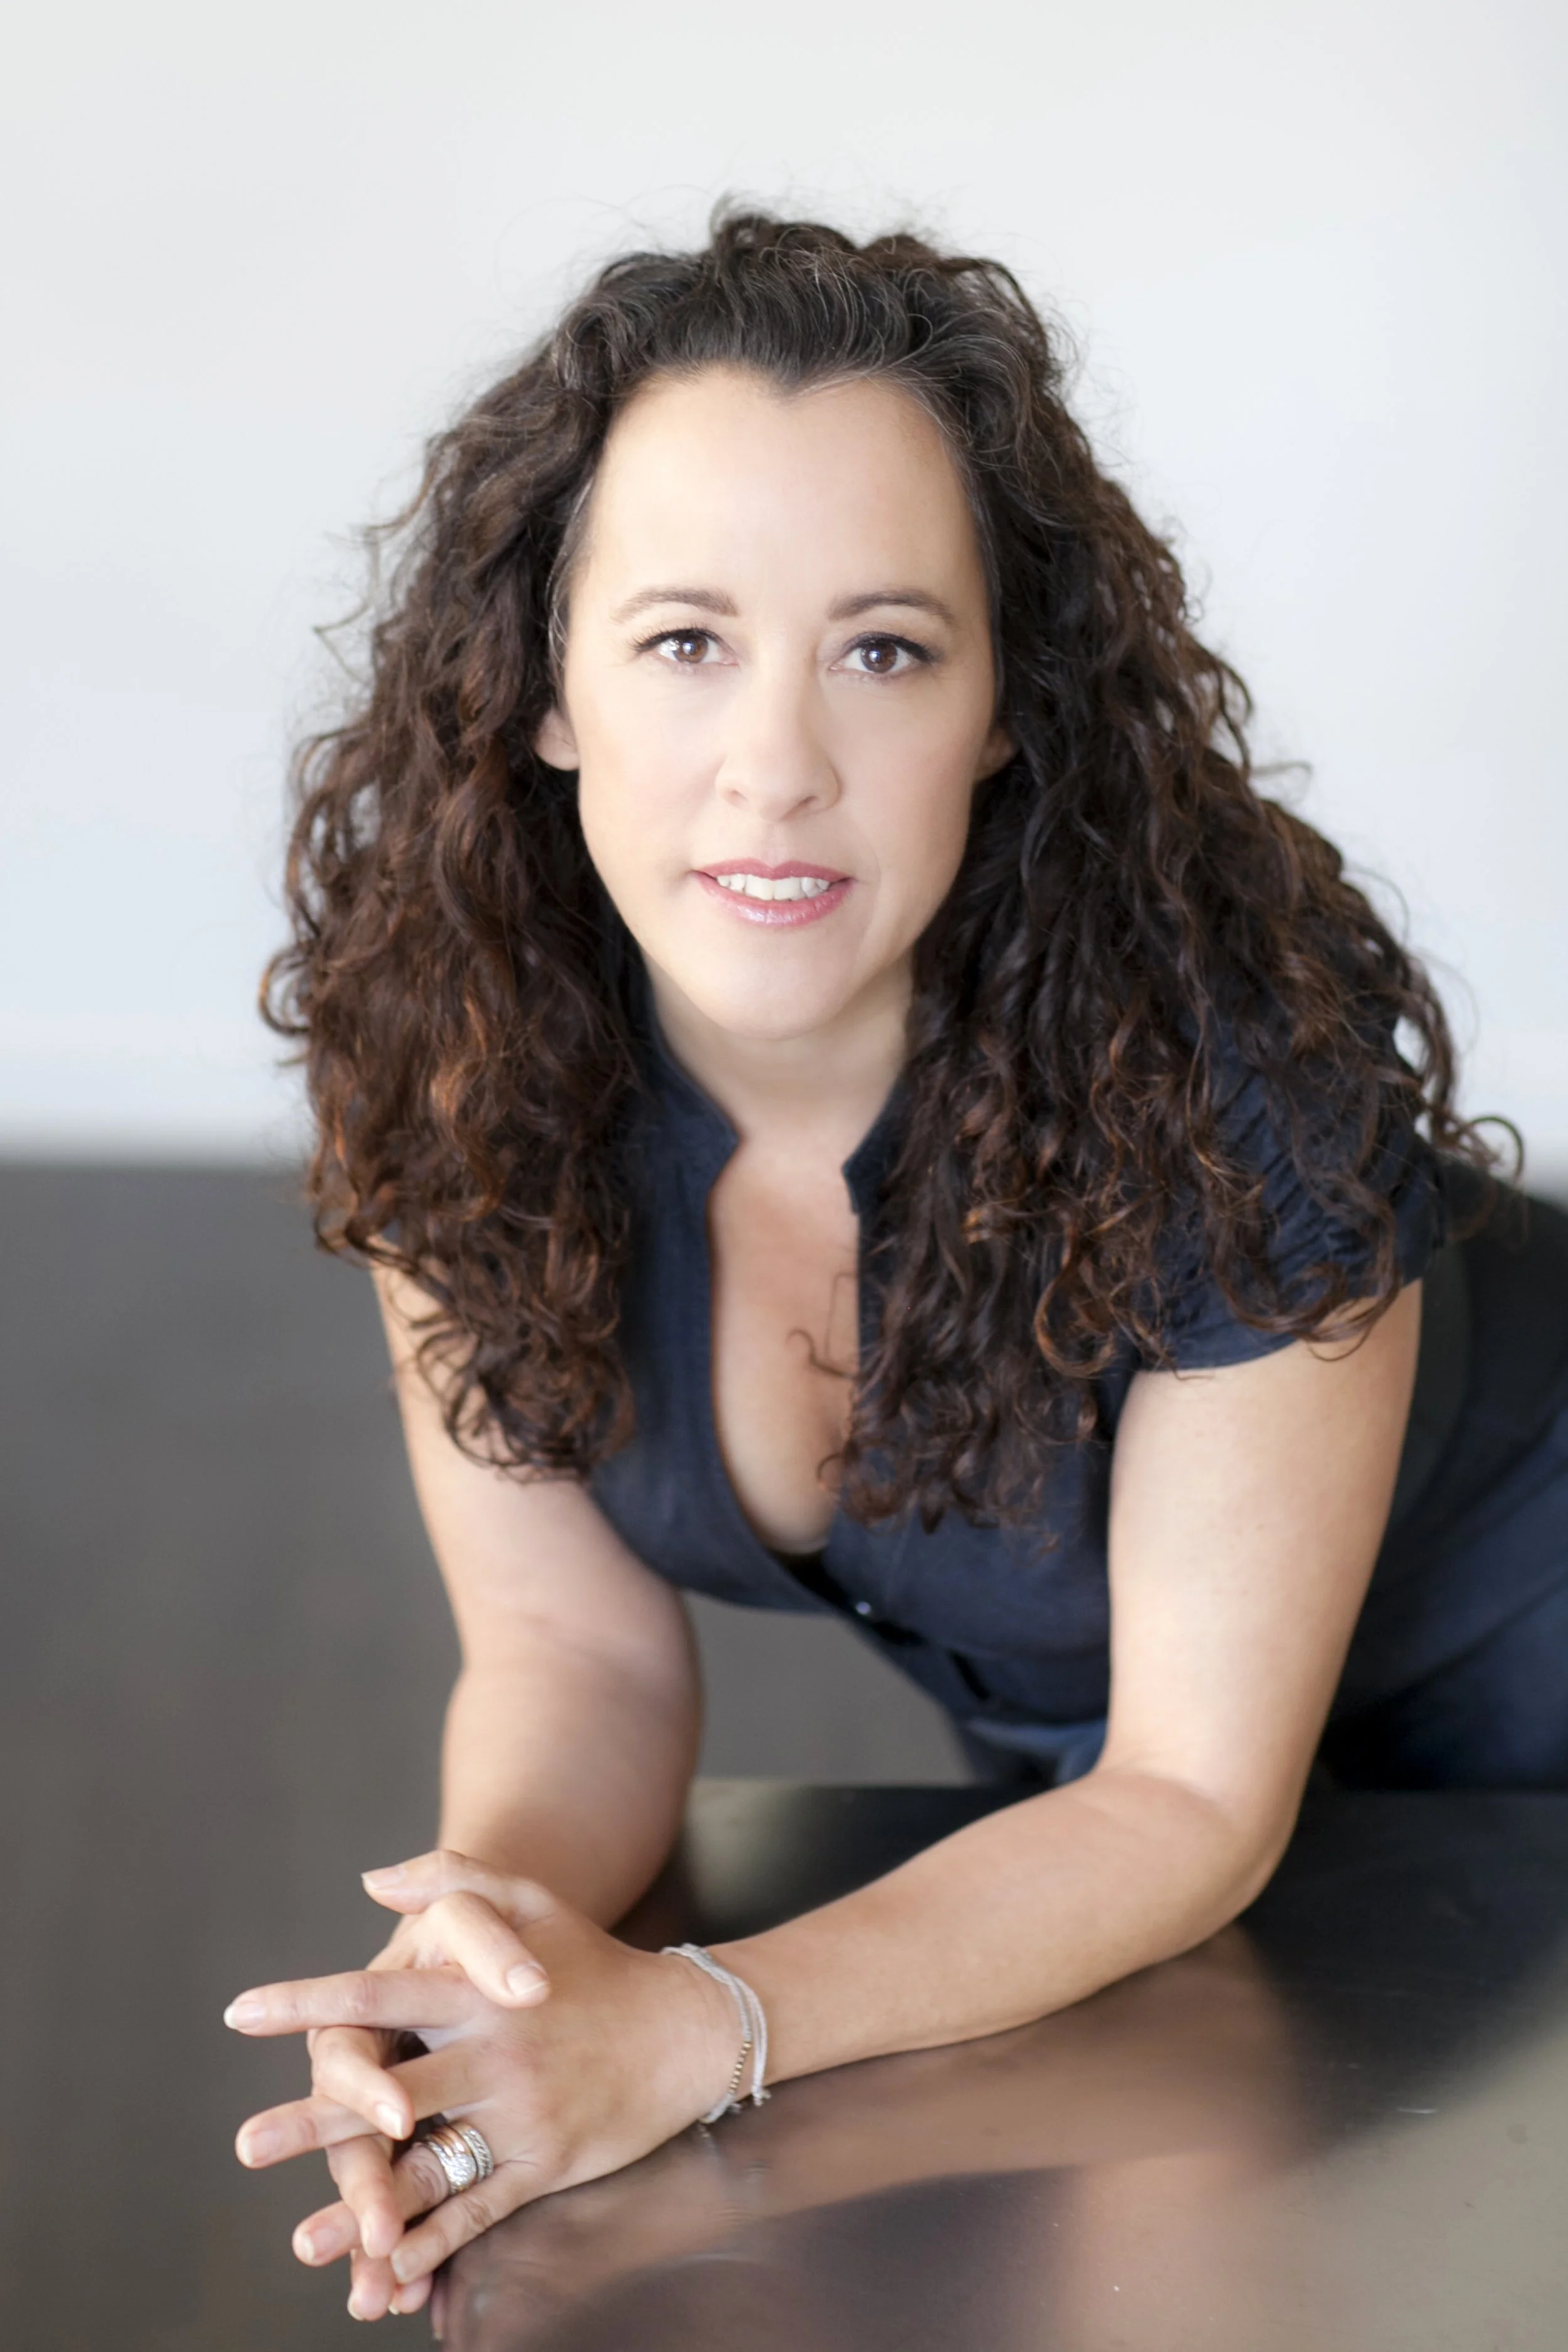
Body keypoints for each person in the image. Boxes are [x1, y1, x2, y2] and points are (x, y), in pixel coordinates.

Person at [225, 211, 1568, 2323]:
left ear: (1004, 705)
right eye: (682, 640)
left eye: (881, 647)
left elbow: (1191, 1791)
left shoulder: (1233, 1099)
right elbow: (574, 1662)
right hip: (1142, 1843)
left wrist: (693, 2021)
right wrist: (475, 1966)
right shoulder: (448, 1081)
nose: (776, 760)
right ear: (542, 679)